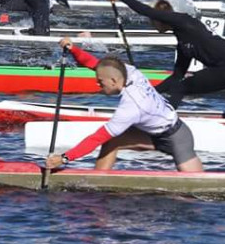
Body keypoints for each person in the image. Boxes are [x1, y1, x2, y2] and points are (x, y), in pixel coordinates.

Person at [45, 38, 203, 172]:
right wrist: (74, 50)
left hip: (177, 137)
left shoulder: (130, 107)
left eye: (100, 82)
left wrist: (64, 158)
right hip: (151, 133)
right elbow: (97, 65)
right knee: (112, 141)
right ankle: (98, 182)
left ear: (114, 81)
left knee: (196, 188)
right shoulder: (129, 71)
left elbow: (96, 138)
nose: (97, 84)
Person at [106, 0, 225, 119]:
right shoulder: (184, 43)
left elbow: (147, 11)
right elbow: (177, 76)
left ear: (159, 19)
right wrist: (149, 93)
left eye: (152, 21)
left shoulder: (182, 20)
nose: (151, 23)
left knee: (181, 88)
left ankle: (163, 121)